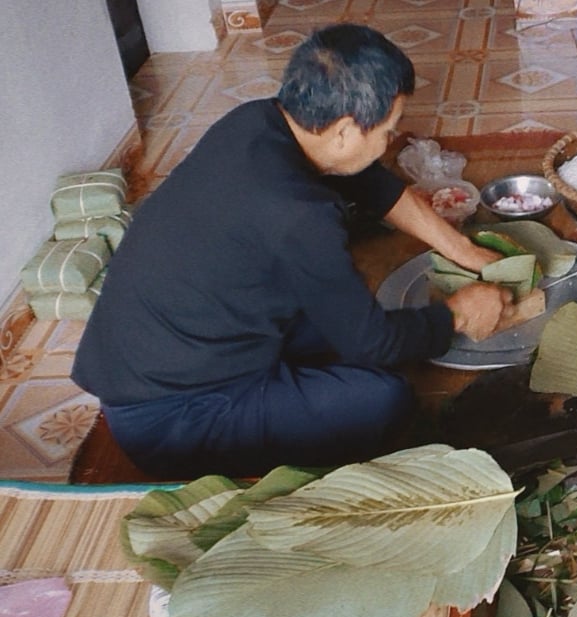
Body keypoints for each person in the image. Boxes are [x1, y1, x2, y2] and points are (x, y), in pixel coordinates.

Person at [72, 24, 514, 480]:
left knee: (359, 319)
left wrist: (462, 249)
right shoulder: (298, 215)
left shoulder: (258, 120)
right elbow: (373, 343)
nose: (389, 142)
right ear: (344, 131)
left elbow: (366, 179)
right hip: (170, 416)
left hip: (173, 349)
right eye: (387, 131)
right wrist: (459, 314)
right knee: (385, 396)